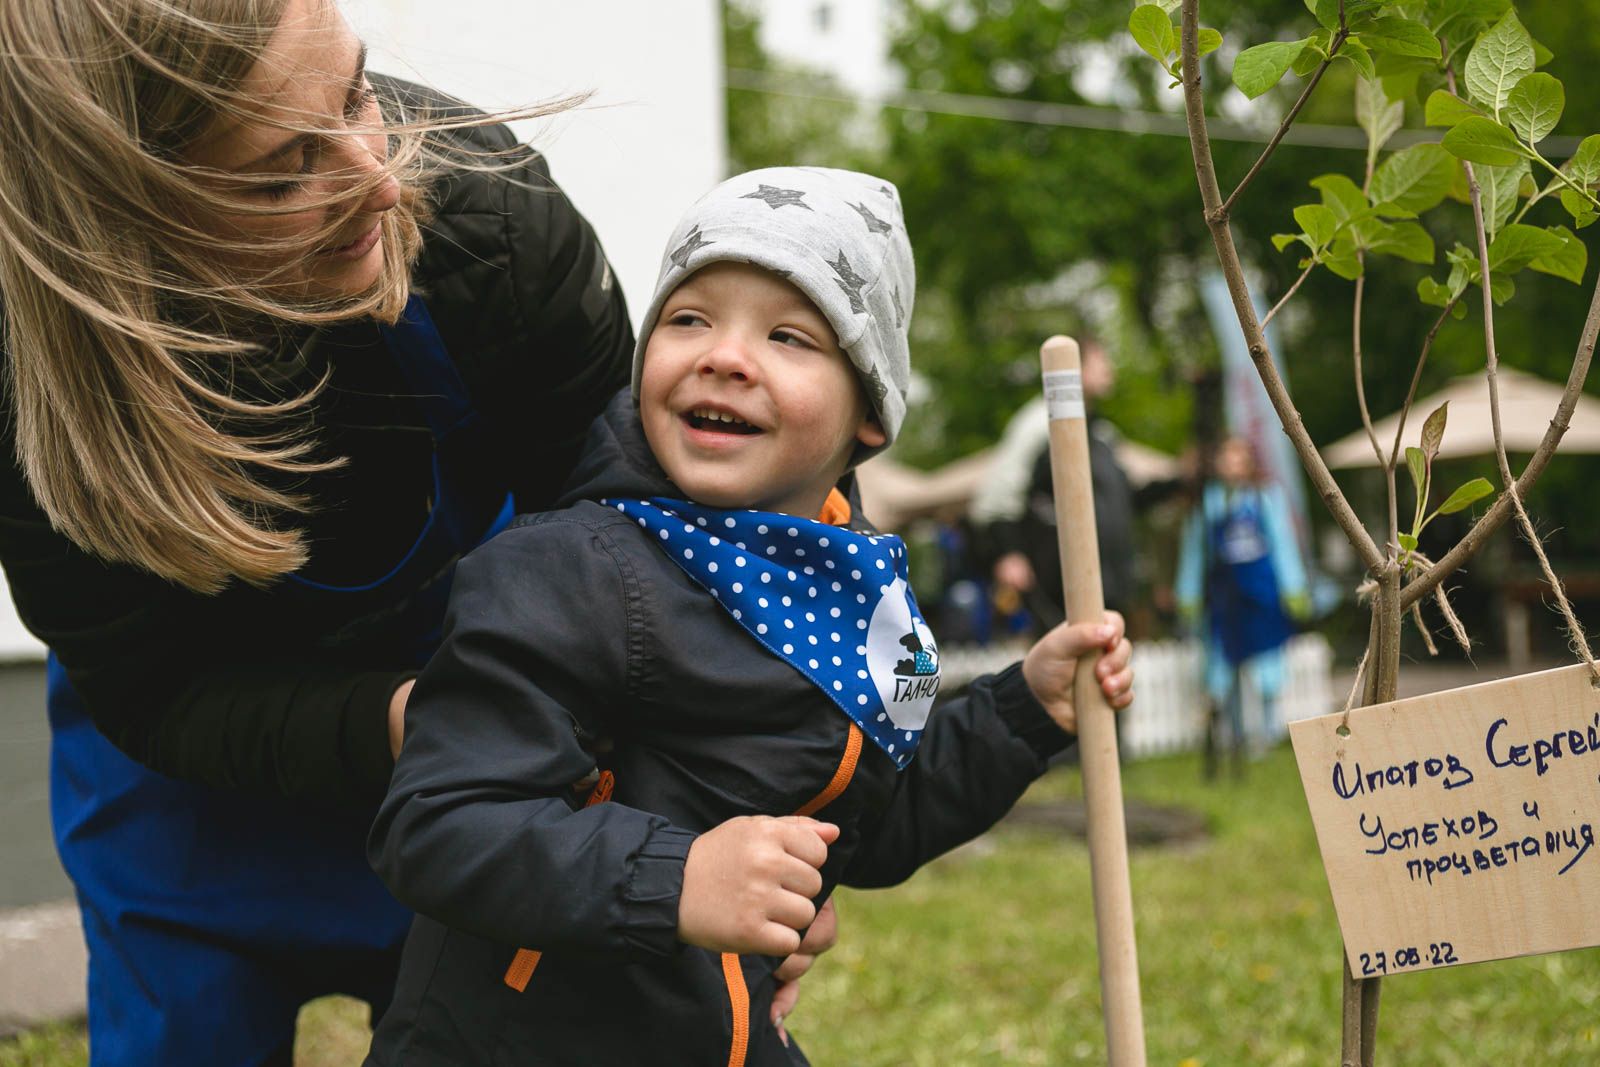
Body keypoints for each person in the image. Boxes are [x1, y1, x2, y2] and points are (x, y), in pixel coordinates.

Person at [0, 2, 832, 1062]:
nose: (378, 176)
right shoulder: (27, 356)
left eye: (356, 94)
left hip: (497, 766)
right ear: (132, 223)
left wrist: (723, 829)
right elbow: (153, 685)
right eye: (281, 170)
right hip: (189, 797)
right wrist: (408, 718)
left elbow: (648, 560)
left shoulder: (487, 217)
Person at [364, 167, 1135, 1066]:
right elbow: (439, 821)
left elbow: (868, 822)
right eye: (688, 319)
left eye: (789, 335)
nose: (724, 355)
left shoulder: (880, 605)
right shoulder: (565, 568)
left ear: (871, 416)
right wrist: (678, 875)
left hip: (712, 1031)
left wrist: (1020, 710)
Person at [970, 337, 1136, 631]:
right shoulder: (1038, 422)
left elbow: (1127, 497)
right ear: (1077, 366)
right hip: (1055, 584)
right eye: (1102, 362)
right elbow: (998, 494)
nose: (1110, 371)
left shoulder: (1102, 433)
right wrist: (1008, 552)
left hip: (1108, 582)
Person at [1175, 436, 1310, 764]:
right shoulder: (1208, 503)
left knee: (1267, 668)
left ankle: (1265, 734)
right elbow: (1195, 551)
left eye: (1238, 456)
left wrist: (1294, 586)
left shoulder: (1266, 498)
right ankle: (1235, 734)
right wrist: (1188, 593)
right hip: (1223, 601)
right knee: (1225, 667)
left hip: (1262, 596)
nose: (1232, 463)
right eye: (1226, 456)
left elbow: (1282, 543)